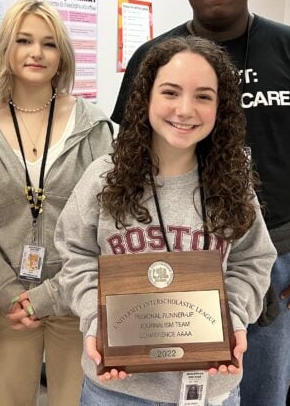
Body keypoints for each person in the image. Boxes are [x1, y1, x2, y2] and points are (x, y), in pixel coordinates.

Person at [111, 0, 290, 404]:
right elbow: (126, 158)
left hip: (276, 256)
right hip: (174, 256)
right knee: (175, 393)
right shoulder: (154, 58)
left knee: (263, 391)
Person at [56, 36, 276, 405]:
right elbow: (75, 255)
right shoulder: (102, 178)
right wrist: (99, 321)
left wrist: (233, 318)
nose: (185, 109)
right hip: (118, 389)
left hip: (209, 388)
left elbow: (251, 260)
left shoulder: (233, 184)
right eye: (171, 92)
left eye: (204, 96)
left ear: (221, 107)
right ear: (146, 98)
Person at [0, 0, 113, 405]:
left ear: (61, 55)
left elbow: (104, 223)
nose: (36, 53)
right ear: (5, 49)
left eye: (48, 43)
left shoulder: (94, 126)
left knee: (75, 400)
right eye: (24, 40)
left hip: (74, 296)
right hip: (7, 300)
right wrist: (8, 291)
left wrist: (54, 293)